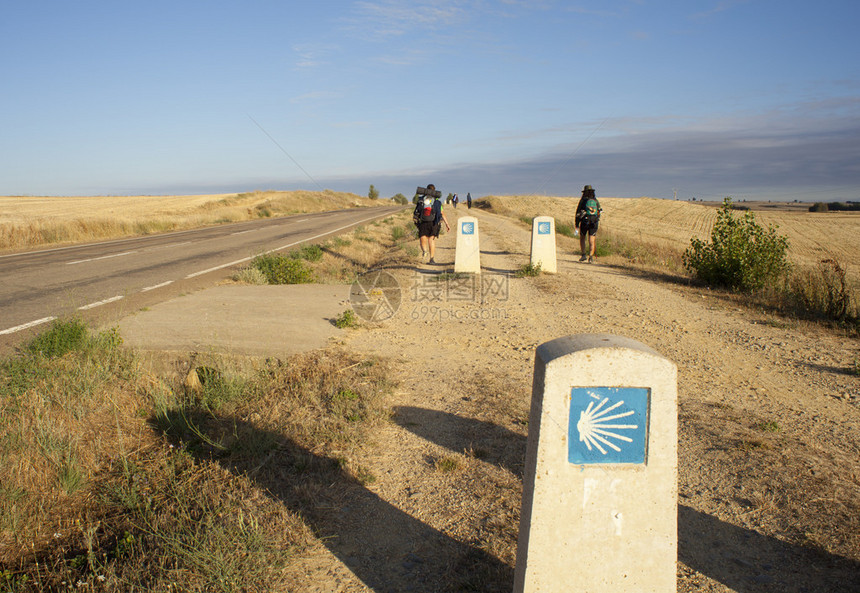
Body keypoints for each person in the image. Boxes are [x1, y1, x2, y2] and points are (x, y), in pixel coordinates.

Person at [412, 184, 450, 264]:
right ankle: (432, 259)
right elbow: (442, 213)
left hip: (423, 222)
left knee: (422, 238)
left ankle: (425, 251)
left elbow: (417, 212)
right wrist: (447, 224)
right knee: (431, 240)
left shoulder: (421, 200)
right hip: (434, 223)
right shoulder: (437, 202)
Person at [575, 184, 602, 263]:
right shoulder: (595, 200)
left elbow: (578, 212)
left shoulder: (583, 200)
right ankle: (591, 256)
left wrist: (576, 224)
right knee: (592, 239)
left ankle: (583, 255)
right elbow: (599, 211)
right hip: (594, 222)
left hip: (584, 222)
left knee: (582, 237)